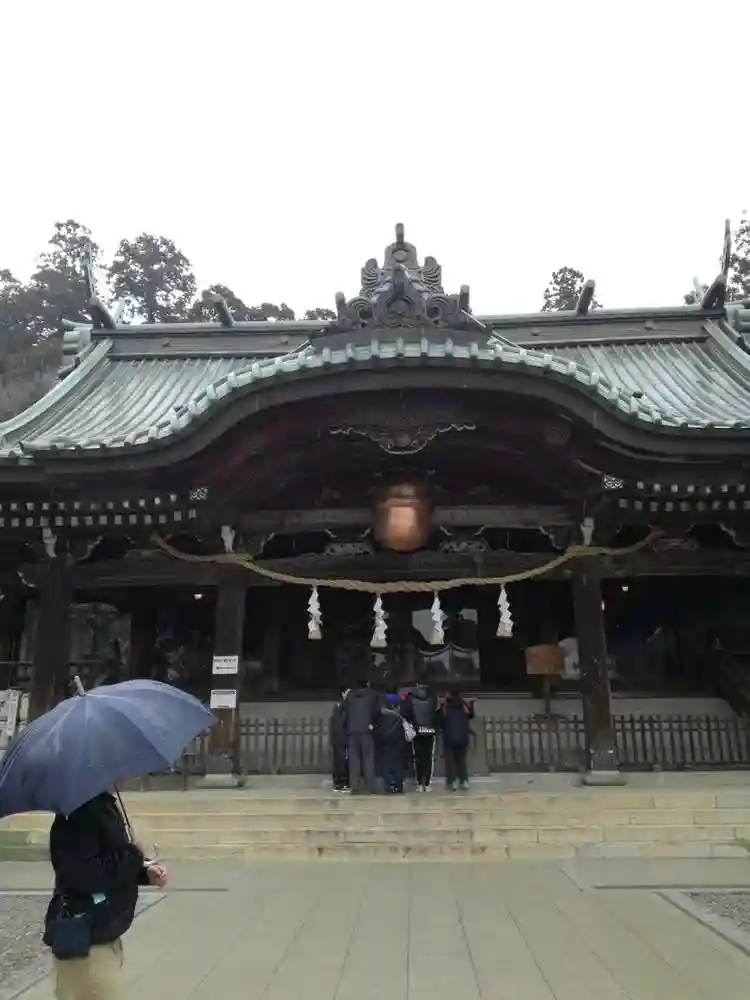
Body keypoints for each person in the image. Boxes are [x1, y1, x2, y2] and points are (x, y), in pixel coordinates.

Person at [44, 790, 168, 1000]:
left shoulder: (100, 802)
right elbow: (84, 875)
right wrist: (134, 854)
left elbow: (107, 857)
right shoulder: (79, 811)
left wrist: (143, 872)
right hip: (87, 944)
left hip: (103, 934)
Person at [341, 679, 380, 794]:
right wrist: (374, 725)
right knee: (368, 758)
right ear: (367, 684)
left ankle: (355, 786)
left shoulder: (350, 696)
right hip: (367, 730)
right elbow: (377, 712)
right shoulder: (372, 695)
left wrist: (347, 727)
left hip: (352, 730)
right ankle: (370, 786)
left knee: (354, 758)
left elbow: (344, 712)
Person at [402, 685, 438, 791]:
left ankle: (419, 782)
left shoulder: (411, 699)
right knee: (428, 757)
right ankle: (427, 783)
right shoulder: (433, 698)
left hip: (417, 731)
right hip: (430, 731)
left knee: (418, 757)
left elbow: (406, 714)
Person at [437, 689, 474, 791]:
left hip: (449, 738)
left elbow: (441, 721)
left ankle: (452, 782)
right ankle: (464, 781)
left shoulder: (445, 706)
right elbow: (471, 715)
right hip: (462, 737)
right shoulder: (464, 705)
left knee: (450, 761)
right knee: (461, 760)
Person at [377, 691, 407, 793]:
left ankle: (389, 785)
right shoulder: (399, 717)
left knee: (386, 765)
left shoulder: (381, 716)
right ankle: (398, 786)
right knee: (398, 765)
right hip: (398, 744)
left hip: (385, 744)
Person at [329, 689, 350, 792]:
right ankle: (341, 783)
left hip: (337, 738)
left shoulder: (338, 706)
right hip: (342, 738)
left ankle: (338, 782)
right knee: (341, 761)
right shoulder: (343, 706)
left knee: (338, 761)